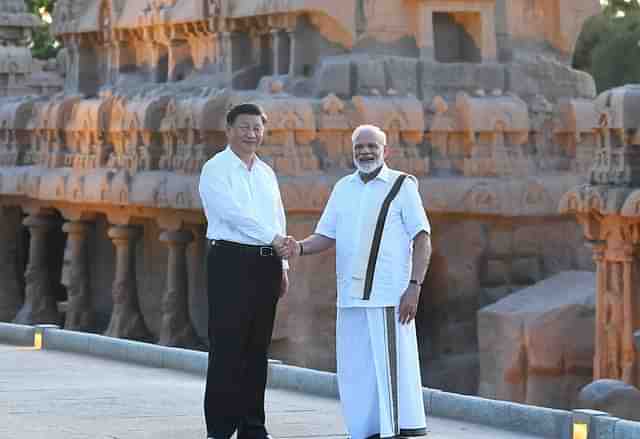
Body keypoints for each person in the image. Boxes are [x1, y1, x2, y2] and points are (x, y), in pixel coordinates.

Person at [283, 124, 432, 439]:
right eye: (359, 147)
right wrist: (299, 248)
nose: (365, 152)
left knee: (392, 370)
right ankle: (364, 433)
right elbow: (325, 235)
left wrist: (415, 286)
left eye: (371, 146)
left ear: (385, 151)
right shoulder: (343, 188)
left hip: (388, 298)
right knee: (356, 373)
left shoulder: (402, 186)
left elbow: (422, 238)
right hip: (350, 299)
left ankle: (400, 432)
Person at [198, 103, 291, 439]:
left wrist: (282, 264)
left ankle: (253, 428)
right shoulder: (215, 169)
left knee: (256, 349)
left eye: (257, 128)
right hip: (230, 261)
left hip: (266, 262)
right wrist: (274, 238)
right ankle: (220, 429)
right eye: (245, 127)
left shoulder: (266, 173)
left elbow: (277, 215)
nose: (252, 134)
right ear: (229, 130)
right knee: (227, 347)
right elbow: (232, 214)